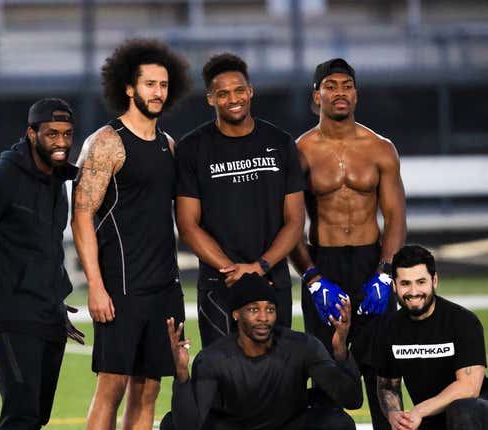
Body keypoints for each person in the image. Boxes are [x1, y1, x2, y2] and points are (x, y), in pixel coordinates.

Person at [71, 39, 191, 430]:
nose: (157, 92)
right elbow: (82, 216)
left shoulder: (168, 146)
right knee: (113, 387)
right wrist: (95, 286)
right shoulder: (105, 143)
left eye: (163, 85)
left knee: (149, 389)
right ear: (129, 87)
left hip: (164, 288)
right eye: (149, 84)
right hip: (120, 288)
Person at [290, 57, 406, 429]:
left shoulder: (380, 148)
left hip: (372, 262)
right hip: (324, 265)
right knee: (325, 368)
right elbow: (291, 224)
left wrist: (387, 273)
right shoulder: (300, 151)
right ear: (316, 95)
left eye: (346, 85)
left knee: (382, 370)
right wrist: (311, 278)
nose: (339, 92)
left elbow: (396, 218)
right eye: (331, 86)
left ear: (356, 94)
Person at [0, 98, 84, 429]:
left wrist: (55, 300)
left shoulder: (59, 180)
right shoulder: (1, 180)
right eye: (51, 134)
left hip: (48, 314)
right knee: (21, 414)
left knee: (37, 416)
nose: (61, 142)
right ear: (31, 134)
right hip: (10, 314)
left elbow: (47, 248)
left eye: (67, 134)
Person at [175, 53, 305, 347]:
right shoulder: (192, 148)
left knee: (278, 381)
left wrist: (260, 267)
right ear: (211, 99)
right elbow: (187, 224)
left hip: (272, 280)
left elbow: (296, 221)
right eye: (222, 94)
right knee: (223, 383)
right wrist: (233, 270)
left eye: (238, 90)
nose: (233, 99)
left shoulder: (280, 142)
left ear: (250, 92)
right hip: (219, 287)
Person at [161, 272, 362, 430]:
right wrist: (182, 375)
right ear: (236, 314)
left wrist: (340, 350)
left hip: (288, 426)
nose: (263, 317)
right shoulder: (214, 358)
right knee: (171, 424)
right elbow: (188, 425)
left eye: (270, 309)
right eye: (254, 309)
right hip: (235, 427)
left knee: (338, 423)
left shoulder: (303, 346)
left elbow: (352, 400)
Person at [377, 245, 488, 430]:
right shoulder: (389, 328)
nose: (413, 292)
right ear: (394, 285)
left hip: (476, 415)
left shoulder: (463, 321)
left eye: (421, 282)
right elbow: (388, 386)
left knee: (462, 410)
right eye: (405, 283)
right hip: (430, 418)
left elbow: (469, 388)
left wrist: (419, 410)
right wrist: (394, 414)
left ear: (434, 280)